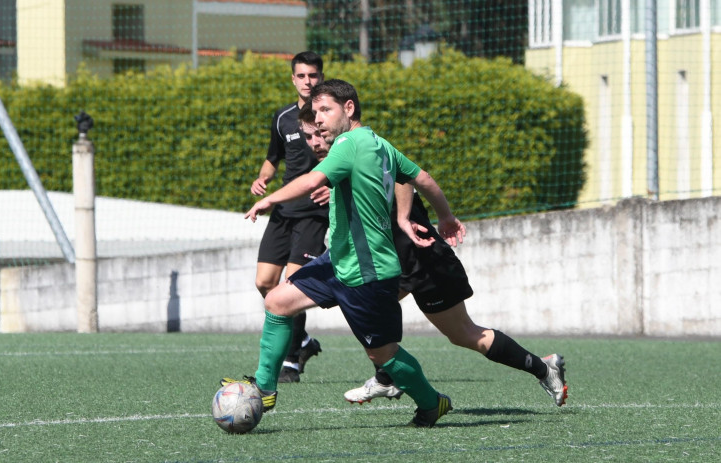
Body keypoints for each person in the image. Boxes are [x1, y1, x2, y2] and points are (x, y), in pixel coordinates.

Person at [224, 79, 464, 428]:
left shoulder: (349, 142)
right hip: (338, 261)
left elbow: (311, 181)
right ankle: (264, 387)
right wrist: (446, 217)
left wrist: (269, 198)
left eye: (325, 110)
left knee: (382, 354)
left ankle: (432, 402)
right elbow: (423, 178)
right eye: (315, 111)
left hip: (368, 272)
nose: (317, 119)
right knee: (277, 301)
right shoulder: (381, 145)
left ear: (349, 109)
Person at [296, 104, 569, 408]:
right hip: (391, 263)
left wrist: (404, 218)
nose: (315, 141)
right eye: (308, 136)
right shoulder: (340, 161)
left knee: (464, 334)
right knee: (369, 311)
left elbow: (408, 180)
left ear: (339, 119)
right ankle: (388, 378)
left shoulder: (365, 147)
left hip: (423, 258)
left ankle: (544, 368)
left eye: (319, 132)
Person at [250, 51, 326, 384]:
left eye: (313, 75)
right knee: (265, 283)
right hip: (282, 211)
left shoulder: (330, 117)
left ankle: (291, 359)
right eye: (302, 76)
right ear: (293, 79)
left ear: (320, 77)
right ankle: (304, 341)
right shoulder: (282, 118)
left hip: (313, 213)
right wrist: (263, 177)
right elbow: (273, 157)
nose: (308, 81)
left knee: (291, 288)